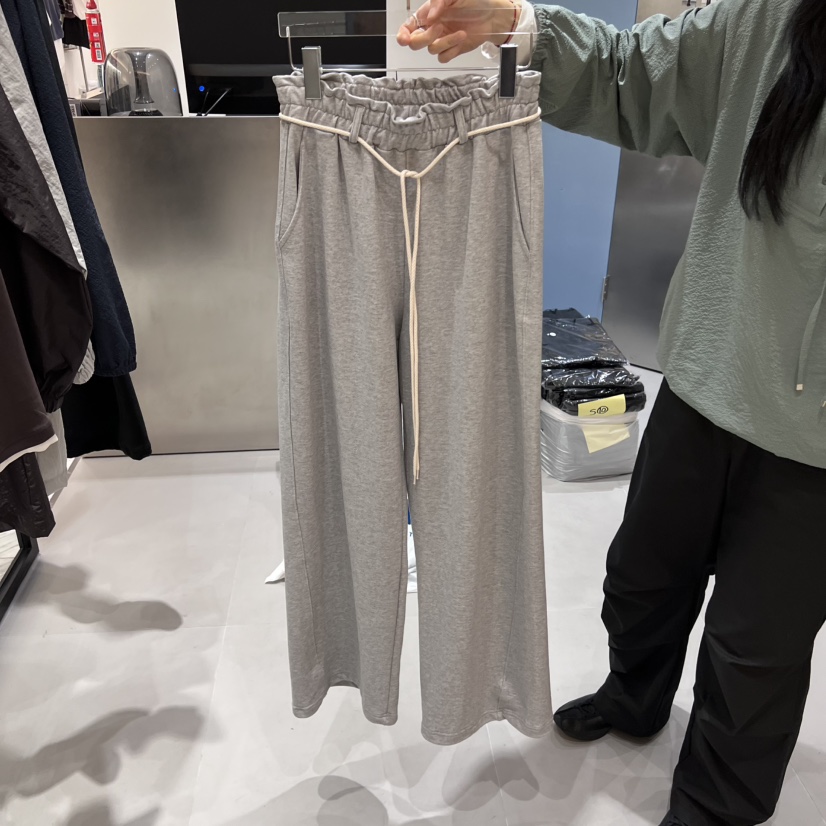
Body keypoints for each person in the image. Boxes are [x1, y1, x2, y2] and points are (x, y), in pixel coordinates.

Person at [398, 1, 826, 825]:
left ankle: (715, 807)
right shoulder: (773, 18)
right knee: (641, 577)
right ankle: (634, 698)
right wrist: (516, 22)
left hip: (815, 448)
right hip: (707, 375)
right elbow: (635, 68)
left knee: (755, 648)